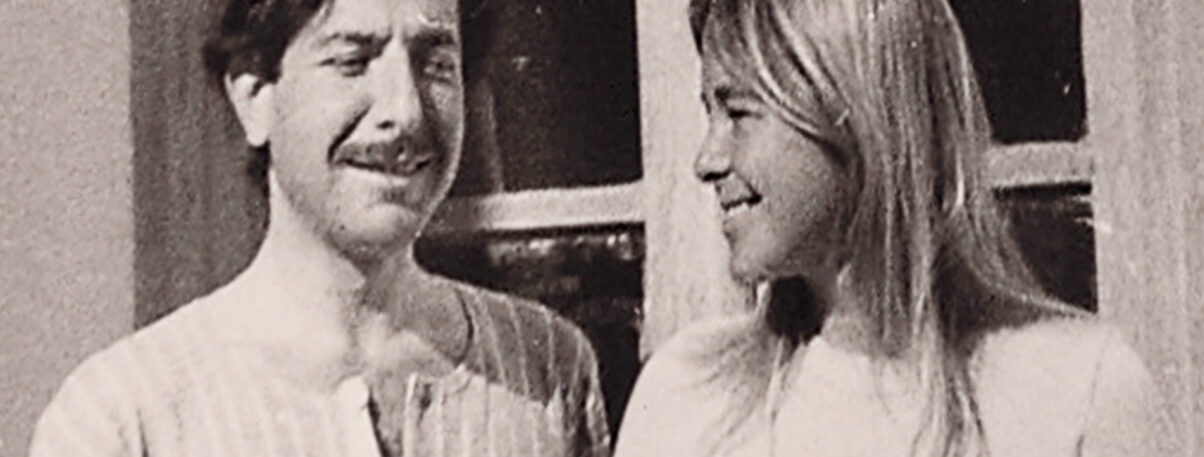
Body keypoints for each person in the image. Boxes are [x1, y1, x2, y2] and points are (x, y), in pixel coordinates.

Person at [28, 0, 609, 456]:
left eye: (436, 65)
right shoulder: (125, 417)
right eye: (352, 62)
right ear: (254, 96)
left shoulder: (546, 370)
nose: (405, 111)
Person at [614, 0, 1165, 456]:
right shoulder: (686, 394)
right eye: (709, 113)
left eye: (738, 114)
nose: (706, 161)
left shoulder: (1079, 388)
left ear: (855, 113)